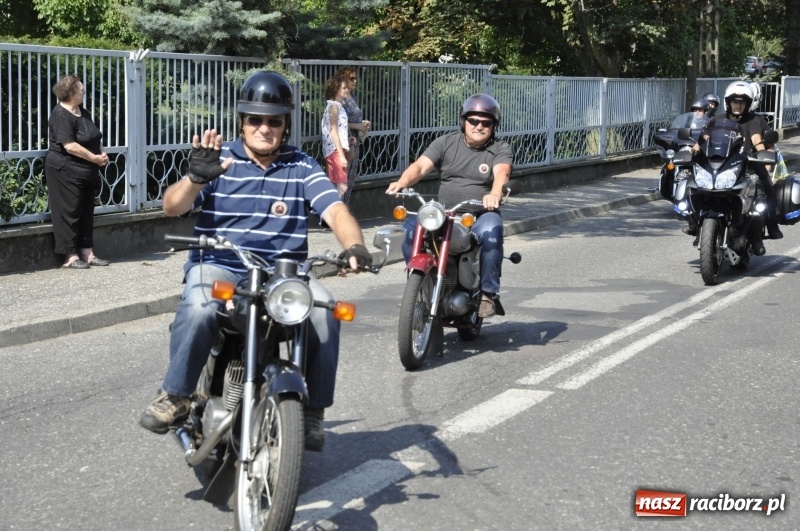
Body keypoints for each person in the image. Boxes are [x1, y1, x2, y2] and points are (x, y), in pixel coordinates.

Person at [138, 71, 373, 452]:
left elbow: (335, 210)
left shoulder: (301, 166)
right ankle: (176, 394)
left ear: (285, 125)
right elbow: (172, 207)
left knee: (325, 312)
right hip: (222, 264)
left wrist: (355, 246)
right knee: (199, 306)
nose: (264, 128)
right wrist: (195, 178)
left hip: (283, 274)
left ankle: (312, 411)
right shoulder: (220, 160)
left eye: (274, 121)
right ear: (242, 122)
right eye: (255, 119)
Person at [385, 94, 512, 318]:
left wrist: (494, 194)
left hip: (480, 214)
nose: (479, 126)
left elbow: (502, 173)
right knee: (411, 229)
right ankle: (417, 287)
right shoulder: (445, 143)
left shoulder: (500, 149)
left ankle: (488, 293)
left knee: (492, 232)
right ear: (463, 121)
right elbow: (420, 167)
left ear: (494, 126)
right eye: (473, 120)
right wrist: (402, 182)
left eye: (486, 123)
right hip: (445, 214)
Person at [690, 80, 782, 254]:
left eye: (742, 102)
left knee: (762, 191)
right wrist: (691, 151)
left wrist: (763, 155)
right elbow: (704, 138)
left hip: (749, 165)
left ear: (747, 104)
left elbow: (756, 139)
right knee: (693, 186)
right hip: (721, 165)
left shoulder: (754, 120)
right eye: (735, 102)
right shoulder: (717, 119)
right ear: (728, 102)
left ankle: (762, 232)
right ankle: (695, 225)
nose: (738, 105)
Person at [45, 74, 110, 269]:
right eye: (81, 90)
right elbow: (70, 146)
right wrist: (94, 158)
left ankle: (87, 252)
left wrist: (101, 153)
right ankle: (70, 256)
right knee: (69, 213)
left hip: (87, 172)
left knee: (86, 213)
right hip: (65, 170)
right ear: (71, 93)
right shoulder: (60, 115)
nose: (84, 92)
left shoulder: (83, 112)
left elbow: (94, 136)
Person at [335, 67, 370, 206]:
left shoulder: (353, 97)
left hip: (354, 141)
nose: (355, 81)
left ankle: (345, 207)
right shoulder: (340, 99)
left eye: (355, 78)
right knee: (342, 179)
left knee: (350, 178)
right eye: (351, 78)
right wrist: (357, 126)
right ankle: (338, 209)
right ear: (344, 79)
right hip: (344, 141)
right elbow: (336, 122)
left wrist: (363, 124)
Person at [321, 76, 353, 198]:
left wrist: (347, 141)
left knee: (335, 185)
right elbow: (333, 131)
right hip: (334, 151)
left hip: (335, 150)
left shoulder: (338, 106)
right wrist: (341, 156)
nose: (347, 90)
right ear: (336, 90)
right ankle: (334, 207)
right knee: (341, 186)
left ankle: (331, 207)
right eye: (343, 88)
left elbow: (338, 129)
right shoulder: (334, 107)